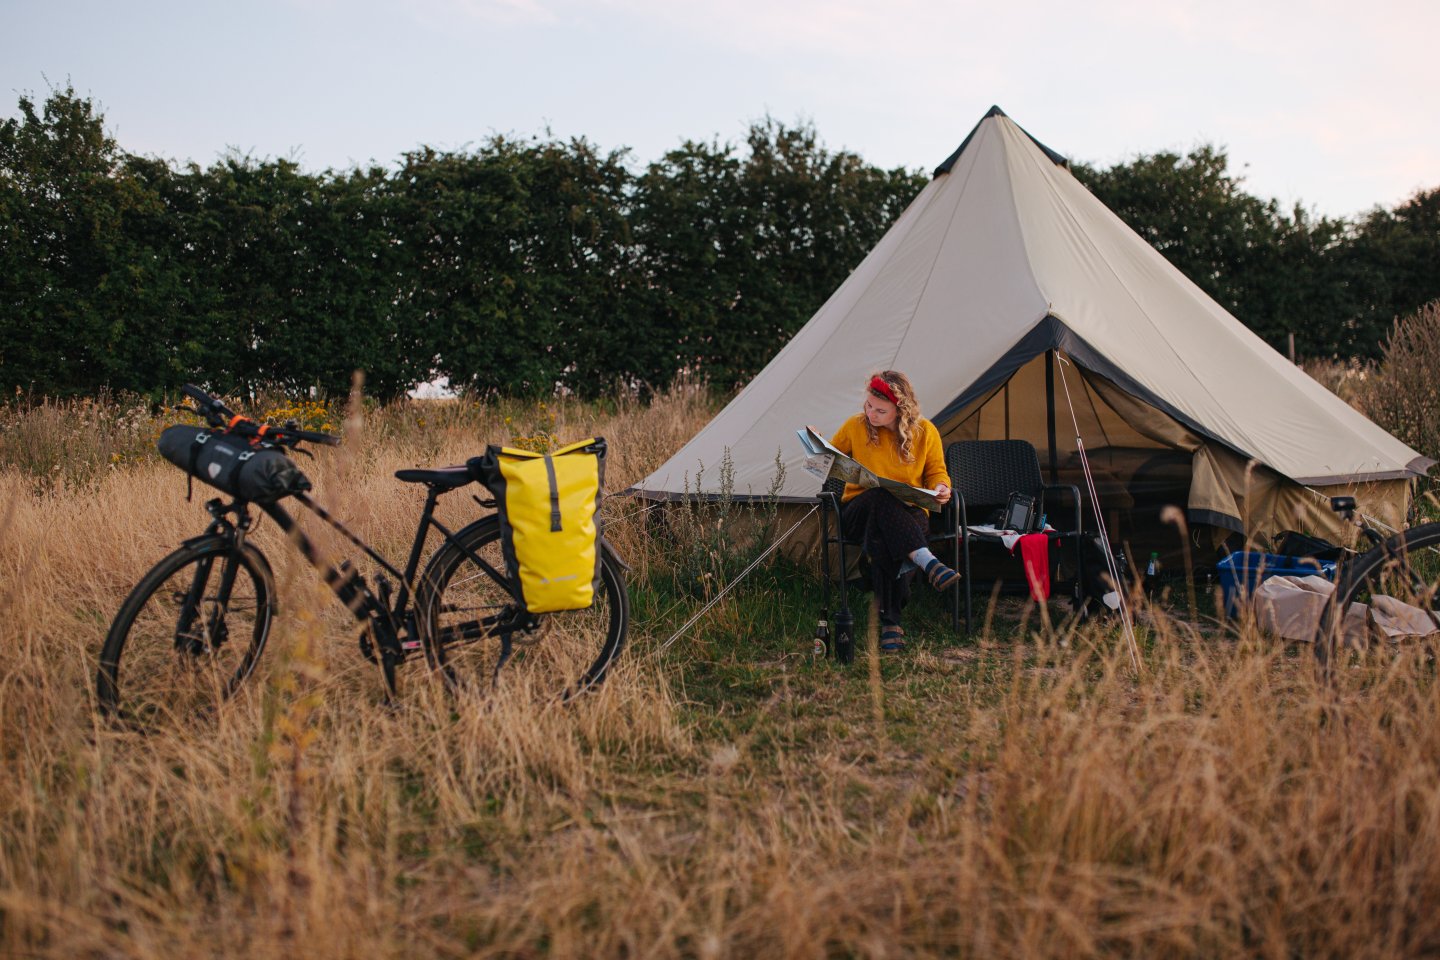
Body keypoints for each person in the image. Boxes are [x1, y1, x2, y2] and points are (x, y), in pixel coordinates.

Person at [830, 370, 957, 652]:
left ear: (900, 411)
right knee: (879, 496)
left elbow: (937, 472)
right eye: (868, 406)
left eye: (880, 410)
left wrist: (941, 488)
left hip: (906, 512)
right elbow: (829, 459)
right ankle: (927, 562)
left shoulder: (925, 432)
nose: (871, 414)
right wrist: (817, 446)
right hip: (859, 511)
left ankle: (890, 623)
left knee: (888, 536)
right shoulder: (855, 426)